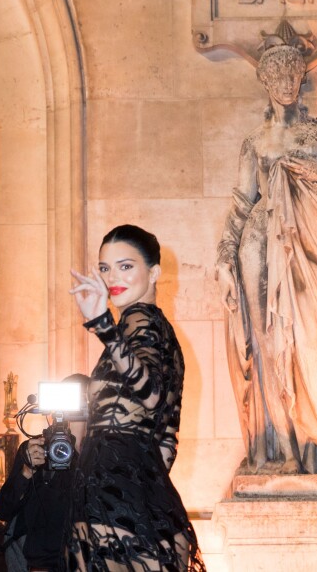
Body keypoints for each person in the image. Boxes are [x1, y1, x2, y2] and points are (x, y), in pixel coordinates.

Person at [216, 40, 317, 475]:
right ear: (264, 82)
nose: (285, 84)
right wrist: (224, 256)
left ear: (300, 77)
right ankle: (282, 450)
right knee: (268, 345)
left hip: (308, 248)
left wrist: (310, 169)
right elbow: (242, 203)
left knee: (312, 341)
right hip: (258, 245)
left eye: (292, 75)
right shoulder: (256, 141)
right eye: (276, 76)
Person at [66, 224, 205, 571]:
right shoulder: (161, 331)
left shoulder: (137, 321)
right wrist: (146, 493)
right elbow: (167, 438)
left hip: (113, 500)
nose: (113, 277)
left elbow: (153, 395)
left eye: (125, 266)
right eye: (104, 268)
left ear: (154, 272)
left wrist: (102, 325)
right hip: (140, 500)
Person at [0, 429, 76, 571]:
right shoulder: (34, 448)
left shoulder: (88, 453)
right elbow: (3, 510)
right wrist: (26, 471)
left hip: (71, 559)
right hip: (31, 562)